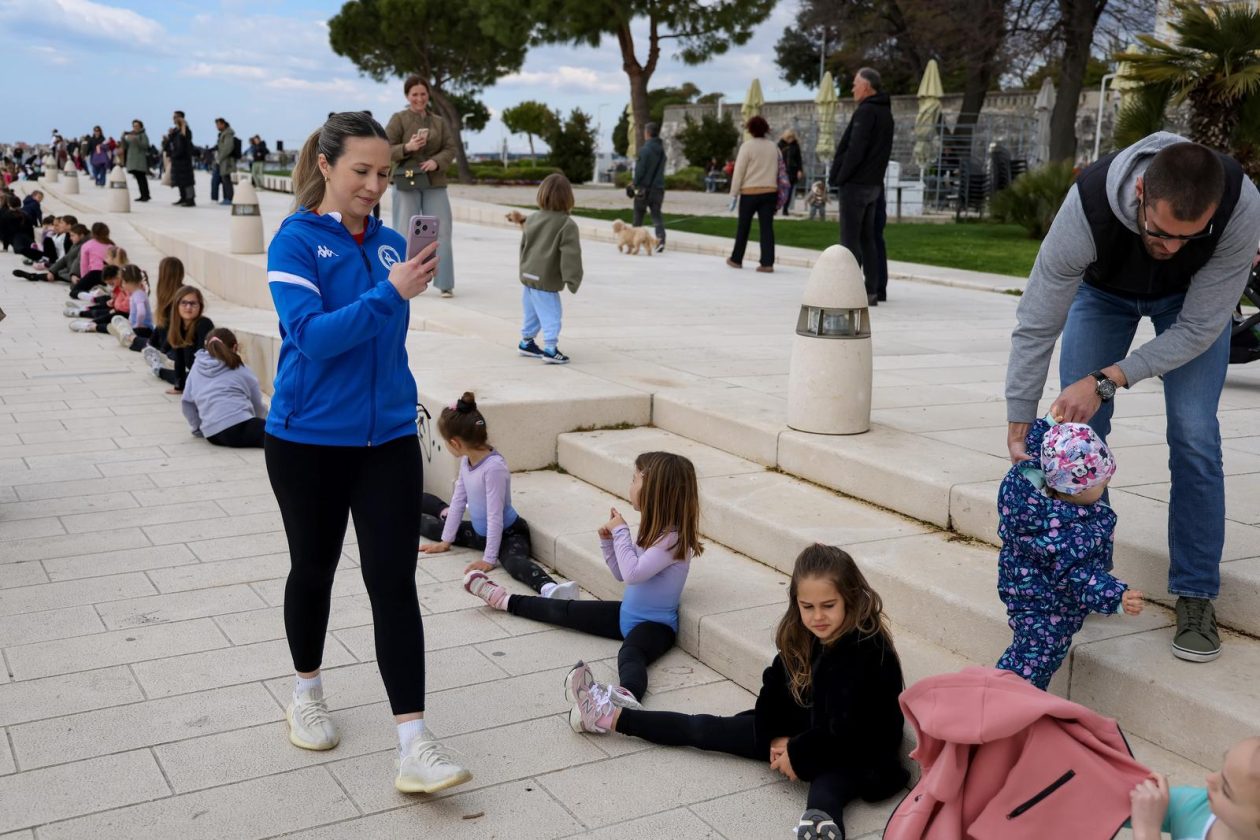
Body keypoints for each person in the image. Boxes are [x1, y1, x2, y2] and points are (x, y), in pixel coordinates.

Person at [264, 111, 470, 795]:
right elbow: (312, 337)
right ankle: (306, 689)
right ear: (325, 165)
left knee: (393, 583)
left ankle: (413, 742)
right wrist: (391, 293)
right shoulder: (294, 241)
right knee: (313, 571)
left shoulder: (389, 245)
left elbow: (386, 332)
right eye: (362, 172)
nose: (375, 186)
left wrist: (398, 283)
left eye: (383, 173)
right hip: (306, 441)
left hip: (386, 441)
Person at [1005, 133, 1260, 664]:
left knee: (1193, 434)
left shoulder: (1240, 206)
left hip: (1191, 307)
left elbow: (1199, 328)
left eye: (1190, 237)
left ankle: (1195, 594)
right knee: (1075, 438)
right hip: (1103, 294)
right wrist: (1018, 412)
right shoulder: (1091, 203)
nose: (1171, 247)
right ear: (1141, 191)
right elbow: (1037, 321)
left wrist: (1107, 379)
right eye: (1160, 232)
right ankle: (1083, 574)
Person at [568, 544, 909, 840]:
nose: (818, 616)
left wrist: (798, 753)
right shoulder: (800, 633)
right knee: (704, 728)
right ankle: (609, 716)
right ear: (797, 603)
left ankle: (820, 824)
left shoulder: (868, 649)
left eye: (829, 606)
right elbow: (774, 686)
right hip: (804, 728)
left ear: (849, 598)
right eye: (808, 607)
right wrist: (776, 737)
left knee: (828, 786)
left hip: (859, 749)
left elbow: (846, 729)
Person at [463, 451, 702, 705]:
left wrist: (621, 531)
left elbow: (633, 574)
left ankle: (625, 698)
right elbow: (621, 573)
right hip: (627, 615)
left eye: (635, 480)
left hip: (655, 627)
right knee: (567, 610)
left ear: (654, 491)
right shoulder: (656, 532)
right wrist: (608, 543)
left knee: (631, 654)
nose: (630, 486)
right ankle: (504, 600)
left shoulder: (672, 539)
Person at [995, 418, 1145, 690]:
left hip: (1024, 592)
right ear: (1077, 489)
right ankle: (1007, 704)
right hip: (1050, 607)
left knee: (1025, 652)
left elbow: (1035, 451)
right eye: (1101, 480)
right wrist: (1116, 596)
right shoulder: (1072, 532)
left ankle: (1005, 699)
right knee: (1036, 660)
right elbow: (1079, 576)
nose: (1107, 481)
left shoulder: (1021, 496)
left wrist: (1049, 423)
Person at [419, 392, 579, 599]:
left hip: (508, 533)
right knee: (433, 527)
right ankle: (403, 511)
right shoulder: (467, 461)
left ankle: (550, 588)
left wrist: (489, 558)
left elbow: (495, 515)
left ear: (455, 443)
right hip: (481, 533)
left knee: (513, 563)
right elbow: (459, 499)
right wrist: (445, 541)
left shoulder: (493, 468)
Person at [385, 76, 458, 297]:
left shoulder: (439, 122)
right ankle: (401, 280)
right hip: (406, 181)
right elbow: (384, 147)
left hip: (434, 181)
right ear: (407, 96)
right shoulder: (399, 119)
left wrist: (437, 161)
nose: (419, 98)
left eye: (423, 94)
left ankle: (445, 282)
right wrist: (407, 147)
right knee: (403, 230)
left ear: (428, 95)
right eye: (414, 94)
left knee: (442, 231)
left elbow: (450, 147)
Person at [829, 67, 894, 306]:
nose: (853, 88)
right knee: (869, 237)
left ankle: (850, 288)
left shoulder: (866, 112)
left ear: (866, 86)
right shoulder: (886, 113)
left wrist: (840, 176)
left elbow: (855, 149)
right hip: (874, 184)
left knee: (849, 239)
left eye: (856, 83)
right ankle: (872, 289)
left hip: (856, 184)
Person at [1129, 736, 1260, 840]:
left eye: (1226, 789)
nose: (1210, 778)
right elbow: (1123, 802)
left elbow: (1146, 824)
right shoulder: (1195, 805)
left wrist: (1146, 832)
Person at [515, 172, 582, 365]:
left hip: (528, 275)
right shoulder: (567, 224)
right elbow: (571, 255)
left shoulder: (532, 218)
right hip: (545, 279)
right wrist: (573, 278)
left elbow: (524, 246)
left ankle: (526, 342)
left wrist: (523, 268)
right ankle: (551, 348)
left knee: (532, 311)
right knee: (551, 313)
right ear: (568, 198)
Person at [181, 328, 267, 448]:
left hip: (212, 435)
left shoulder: (196, 367)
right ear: (235, 347)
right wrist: (262, 421)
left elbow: (187, 402)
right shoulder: (240, 368)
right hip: (239, 427)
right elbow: (257, 403)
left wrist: (197, 427)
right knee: (280, 435)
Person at [726, 116, 781, 274]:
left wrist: (734, 194)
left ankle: (736, 259)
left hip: (749, 193)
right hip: (770, 191)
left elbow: (739, 171)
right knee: (767, 228)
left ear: (750, 129)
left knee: (743, 227)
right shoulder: (773, 147)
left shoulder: (747, 147)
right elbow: (780, 170)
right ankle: (767, 263)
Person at [158, 286, 213, 394]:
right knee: (176, 375)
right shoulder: (178, 327)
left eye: (193, 303)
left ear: (200, 307)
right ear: (177, 305)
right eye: (184, 303)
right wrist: (178, 388)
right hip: (196, 374)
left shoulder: (204, 324)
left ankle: (159, 370)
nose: (188, 307)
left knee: (178, 376)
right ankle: (159, 370)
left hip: (209, 376)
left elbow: (203, 357)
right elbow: (180, 360)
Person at [632, 122, 668, 253]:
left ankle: (634, 240)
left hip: (644, 189)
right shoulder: (662, 151)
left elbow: (640, 171)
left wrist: (634, 183)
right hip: (658, 188)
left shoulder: (645, 150)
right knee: (656, 215)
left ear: (647, 133)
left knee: (638, 215)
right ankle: (660, 240)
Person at [107, 265, 154, 349]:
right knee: (119, 319)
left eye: (123, 283)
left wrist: (138, 324)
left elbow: (141, 312)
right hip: (140, 328)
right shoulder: (136, 293)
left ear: (127, 282)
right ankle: (125, 333)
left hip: (143, 329)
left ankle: (126, 335)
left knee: (132, 341)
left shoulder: (138, 295)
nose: (123, 286)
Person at [168, 111, 196, 207]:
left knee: (187, 180)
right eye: (174, 117)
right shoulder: (175, 131)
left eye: (176, 117)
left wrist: (183, 124)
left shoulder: (186, 129)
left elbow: (185, 140)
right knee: (179, 180)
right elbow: (171, 144)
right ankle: (183, 197)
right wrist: (170, 135)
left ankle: (190, 199)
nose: (174, 119)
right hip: (177, 159)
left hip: (184, 159)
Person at [121, 120, 151, 202]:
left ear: (141, 126)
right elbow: (125, 146)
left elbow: (145, 146)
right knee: (138, 178)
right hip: (132, 159)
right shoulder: (131, 135)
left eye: (137, 126)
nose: (135, 127)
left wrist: (136, 140)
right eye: (134, 126)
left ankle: (145, 195)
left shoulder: (143, 135)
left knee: (142, 178)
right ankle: (143, 195)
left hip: (140, 160)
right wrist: (123, 137)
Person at [778, 129, 804, 216]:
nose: (790, 139)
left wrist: (800, 170)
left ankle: (785, 209)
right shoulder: (780, 145)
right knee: (778, 190)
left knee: (789, 191)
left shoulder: (795, 146)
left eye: (792, 137)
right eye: (789, 137)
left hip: (792, 171)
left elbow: (799, 159)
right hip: (782, 171)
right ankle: (775, 207)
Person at [211, 117, 236, 206]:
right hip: (222, 161)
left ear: (223, 124)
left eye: (218, 124)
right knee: (224, 179)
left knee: (226, 180)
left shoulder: (228, 133)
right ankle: (226, 198)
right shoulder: (223, 133)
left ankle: (229, 198)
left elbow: (228, 147)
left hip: (226, 161)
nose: (217, 126)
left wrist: (220, 158)